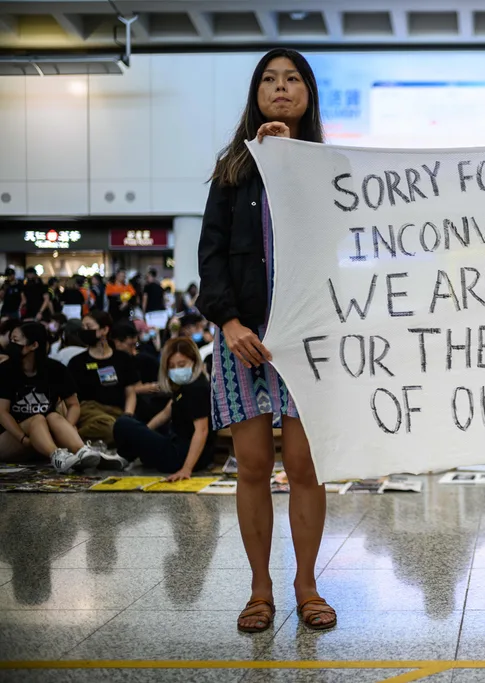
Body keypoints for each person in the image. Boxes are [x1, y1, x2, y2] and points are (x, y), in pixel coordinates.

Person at [197, 48, 336, 633]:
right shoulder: (232, 171)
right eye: (270, 80)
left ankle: (307, 586)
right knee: (252, 465)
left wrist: (291, 162)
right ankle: (261, 590)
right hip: (244, 340)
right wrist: (228, 322)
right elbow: (210, 256)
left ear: (308, 94)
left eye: (293, 79)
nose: (281, 88)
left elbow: (342, 243)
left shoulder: (329, 166)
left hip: (307, 338)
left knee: (306, 467)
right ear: (256, 95)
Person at [0, 321, 109, 471]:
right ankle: (57, 455)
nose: (11, 344)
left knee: (53, 416)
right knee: (38, 418)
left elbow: (73, 405)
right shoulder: (5, 371)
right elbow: (2, 412)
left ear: (33, 345)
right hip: (12, 438)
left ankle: (81, 451)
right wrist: (23, 439)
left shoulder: (55, 369)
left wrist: (67, 428)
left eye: (16, 340)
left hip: (44, 438)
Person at [113, 338, 215, 477]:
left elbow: (202, 430)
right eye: (172, 366)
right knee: (136, 427)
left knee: (123, 423)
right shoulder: (184, 386)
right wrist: (143, 433)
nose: (176, 370)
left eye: (181, 364)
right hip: (177, 446)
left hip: (181, 456)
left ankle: (125, 457)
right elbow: (166, 413)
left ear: (194, 362)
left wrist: (186, 469)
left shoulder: (196, 388)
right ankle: (129, 455)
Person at [67, 311, 140, 450]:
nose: (84, 331)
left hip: (117, 411)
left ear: (105, 330)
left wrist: (128, 414)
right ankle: (68, 437)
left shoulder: (122, 359)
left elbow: (130, 392)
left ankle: (83, 440)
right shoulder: (77, 362)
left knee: (131, 430)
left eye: (89, 327)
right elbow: (72, 398)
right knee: (110, 428)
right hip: (89, 409)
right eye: (83, 327)